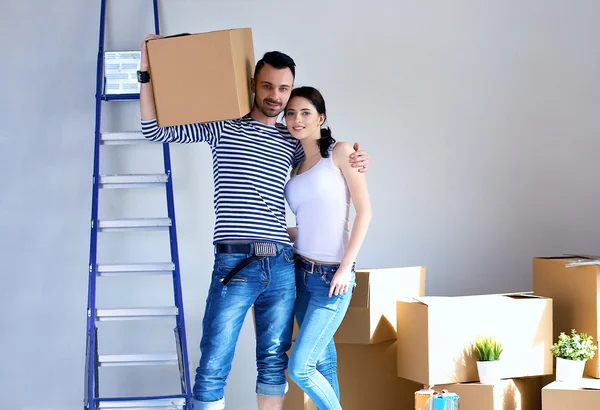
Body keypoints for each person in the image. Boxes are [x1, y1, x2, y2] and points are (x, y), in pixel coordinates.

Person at [138, 34, 370, 410]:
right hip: (235, 263)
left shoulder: (291, 140)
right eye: (268, 86)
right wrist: (146, 72)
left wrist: (359, 157)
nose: (276, 97)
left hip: (282, 264)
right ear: (253, 85)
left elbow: (326, 155)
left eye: (284, 89)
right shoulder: (221, 127)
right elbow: (153, 131)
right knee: (213, 364)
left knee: (274, 365)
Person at [284, 86, 372, 409]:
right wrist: (282, 233)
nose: (297, 119)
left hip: (331, 278)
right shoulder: (295, 164)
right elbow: (310, 221)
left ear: (321, 117)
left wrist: (346, 268)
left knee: (301, 368)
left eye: (305, 112)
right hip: (300, 275)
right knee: (323, 364)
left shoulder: (340, 153)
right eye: (290, 113)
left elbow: (365, 211)